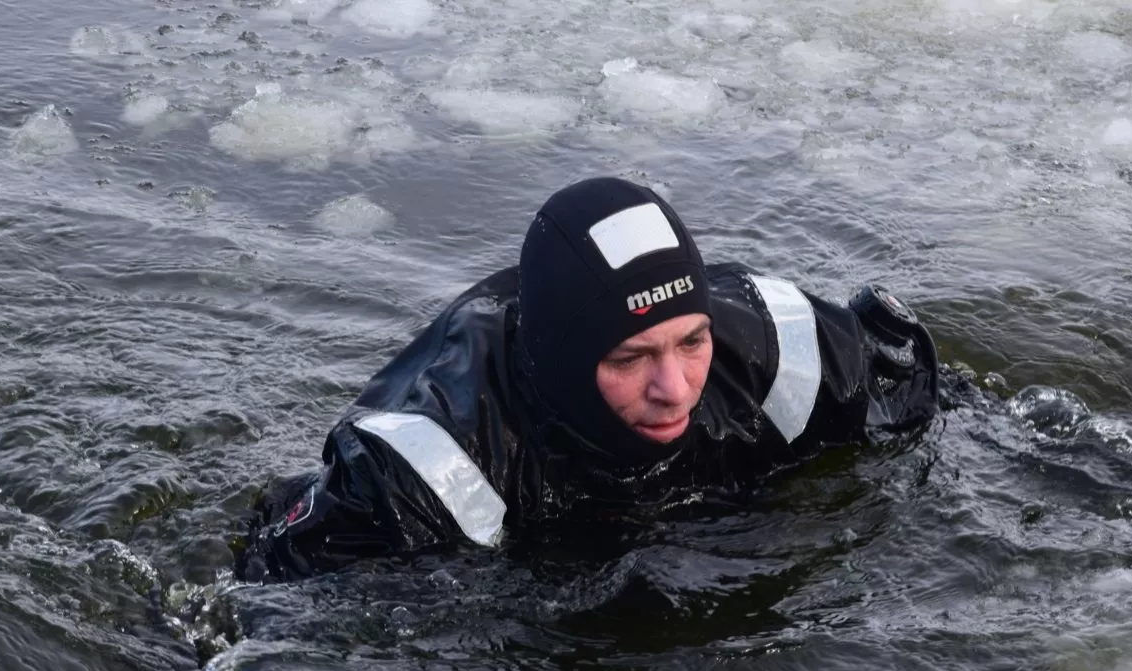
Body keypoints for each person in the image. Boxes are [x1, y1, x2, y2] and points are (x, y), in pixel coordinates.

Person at [234, 176, 942, 582]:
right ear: (566, 361)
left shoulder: (783, 355)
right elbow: (270, 606)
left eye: (691, 341)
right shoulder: (423, 472)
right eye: (631, 359)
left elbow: (942, 411)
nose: (676, 388)